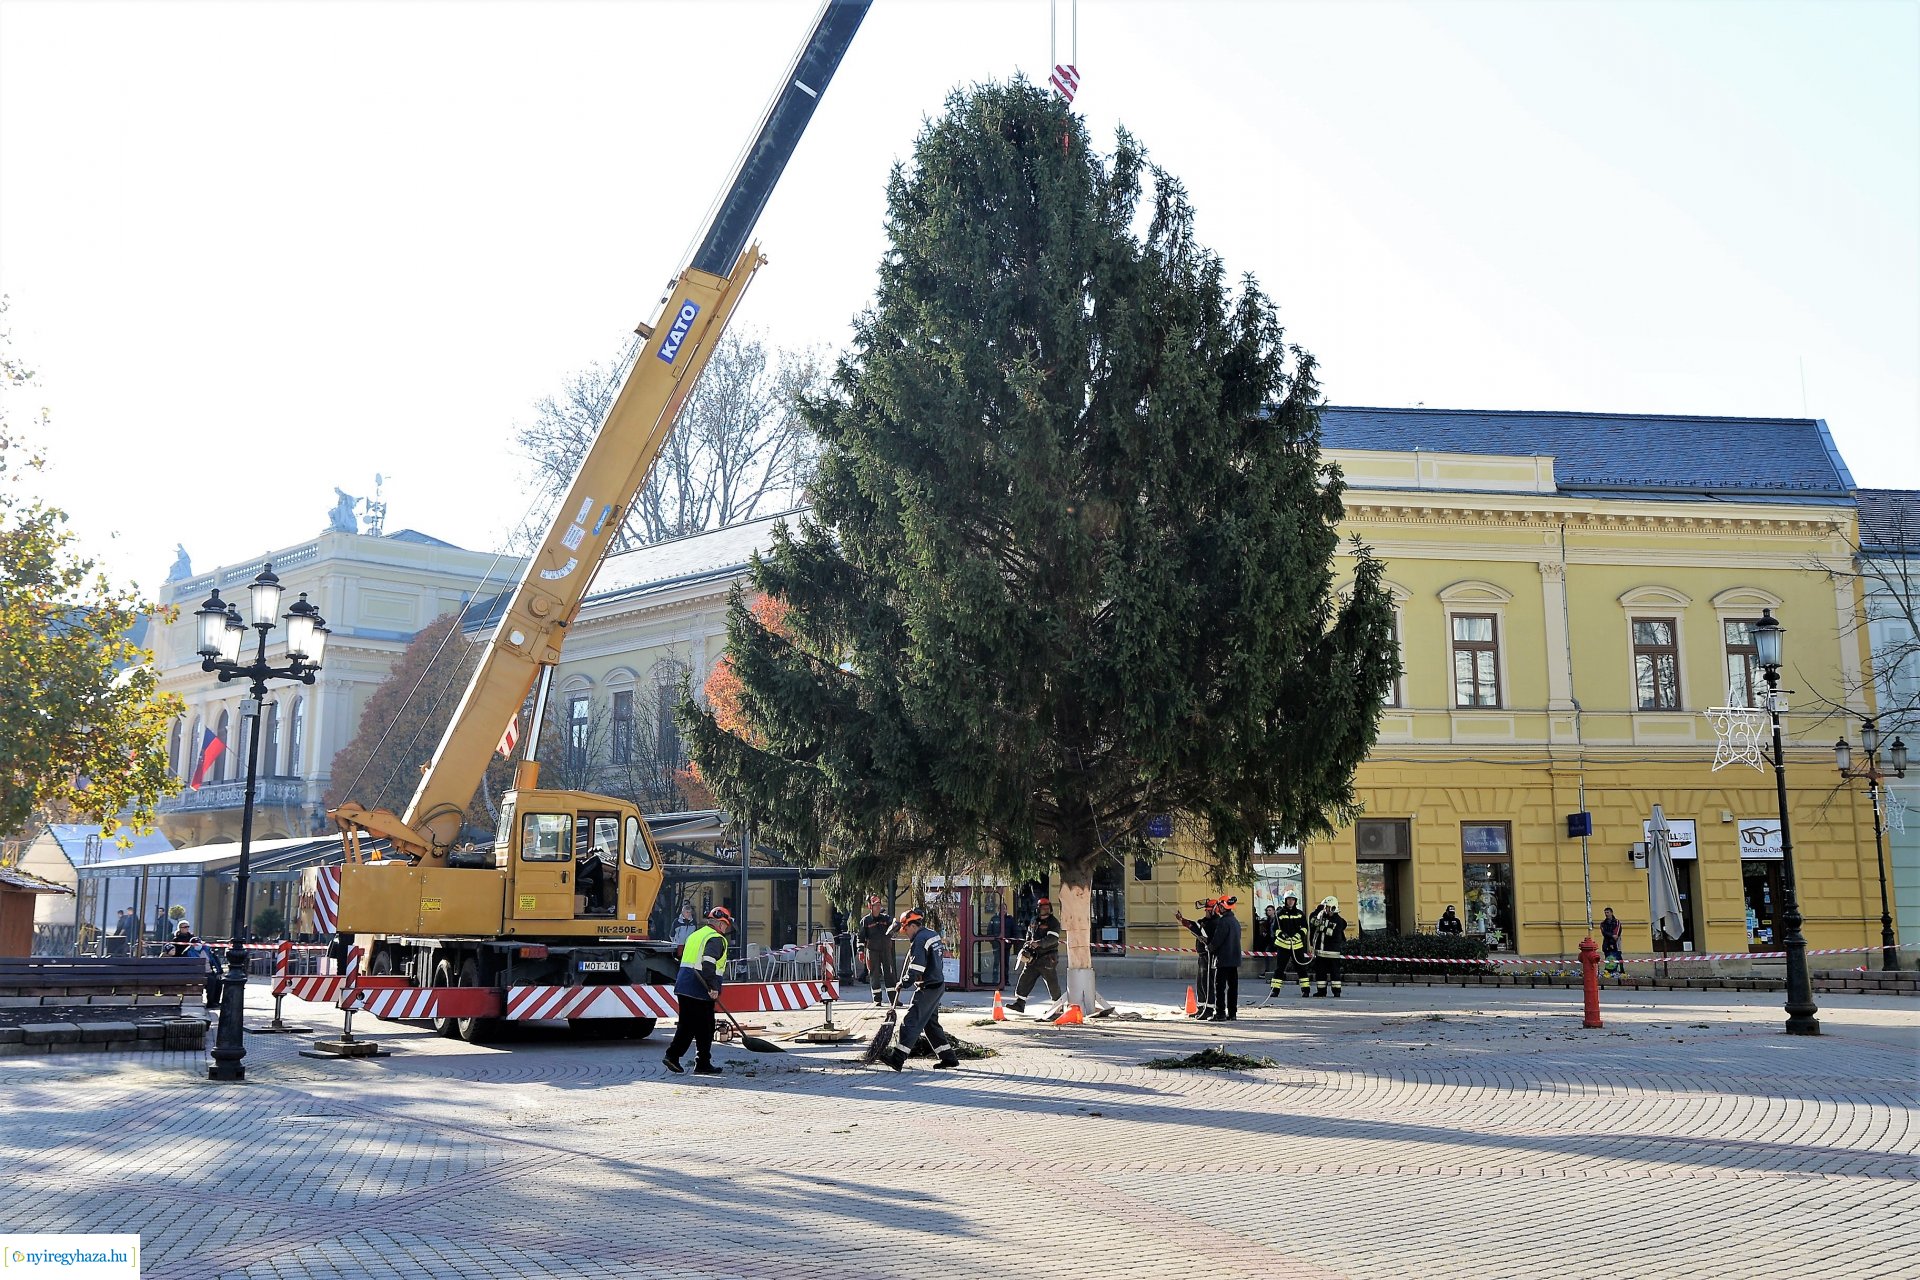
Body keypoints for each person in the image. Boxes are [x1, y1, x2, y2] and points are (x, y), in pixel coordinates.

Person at [881, 909, 959, 1071]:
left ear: (912, 925)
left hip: (928, 988)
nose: (906, 934)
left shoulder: (919, 940)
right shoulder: (931, 934)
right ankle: (948, 1058)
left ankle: (897, 1058)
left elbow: (917, 967)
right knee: (930, 1025)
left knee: (910, 1021)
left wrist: (904, 982)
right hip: (937, 985)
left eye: (906, 930)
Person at [664, 906, 733, 1076]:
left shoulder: (696, 935)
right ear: (720, 924)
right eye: (726, 925)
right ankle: (677, 1056)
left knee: (696, 1025)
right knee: (701, 1026)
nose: (726, 929)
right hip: (700, 988)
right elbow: (708, 964)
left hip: (685, 984)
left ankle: (699, 1061)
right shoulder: (716, 938)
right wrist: (713, 987)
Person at [1007, 897, 1063, 1012]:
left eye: (1047, 908)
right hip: (1034, 958)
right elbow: (1029, 935)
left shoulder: (1053, 922)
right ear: (1038, 909)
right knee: (1025, 978)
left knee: (1052, 982)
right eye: (1043, 908)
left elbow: (1052, 938)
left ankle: (1058, 1007)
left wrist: (1039, 943)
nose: (1046, 910)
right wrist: (1026, 947)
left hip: (1048, 957)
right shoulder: (1034, 920)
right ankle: (1020, 1003)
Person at [1173, 898, 1218, 1017]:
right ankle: (1201, 1007)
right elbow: (1195, 925)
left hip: (1209, 955)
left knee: (1207, 983)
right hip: (1202, 956)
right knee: (1200, 982)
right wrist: (1182, 920)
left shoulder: (1215, 923)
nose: (1205, 912)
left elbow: (1198, 929)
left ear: (1213, 911)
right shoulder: (1205, 922)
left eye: (1207, 910)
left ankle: (1208, 1010)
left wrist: (1192, 927)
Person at [857, 896, 898, 1006]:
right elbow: (860, 938)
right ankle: (877, 999)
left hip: (885, 950)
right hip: (872, 951)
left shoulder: (885, 919)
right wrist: (861, 952)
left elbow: (894, 924)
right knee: (874, 974)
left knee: (889, 974)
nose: (878, 907)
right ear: (870, 906)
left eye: (879, 905)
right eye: (875, 905)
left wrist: (895, 924)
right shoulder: (865, 921)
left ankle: (893, 1000)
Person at [1269, 894, 1311, 996]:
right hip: (1283, 945)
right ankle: (1275, 990)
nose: (1291, 901)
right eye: (1289, 899)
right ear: (1285, 900)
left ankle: (1305, 990)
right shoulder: (1279, 914)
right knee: (1279, 968)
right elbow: (1274, 929)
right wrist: (1281, 934)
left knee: (1301, 968)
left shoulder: (1300, 914)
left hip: (1297, 945)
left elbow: (1305, 927)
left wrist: (1299, 935)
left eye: (1293, 899)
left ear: (1295, 901)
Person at [1210, 897, 1243, 1021]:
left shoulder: (1223, 922)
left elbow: (1218, 940)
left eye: (1219, 906)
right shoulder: (1235, 921)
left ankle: (1220, 1013)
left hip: (1223, 960)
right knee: (1233, 988)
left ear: (1223, 907)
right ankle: (1232, 1013)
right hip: (1234, 960)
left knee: (1220, 988)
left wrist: (1210, 947)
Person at [1308, 897, 1348, 997]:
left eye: (1328, 907)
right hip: (1320, 952)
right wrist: (1318, 909)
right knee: (1320, 972)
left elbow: (1332, 933)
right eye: (1325, 907)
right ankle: (1321, 991)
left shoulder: (1338, 920)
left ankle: (1336, 991)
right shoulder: (1321, 916)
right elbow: (1312, 920)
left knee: (1335, 973)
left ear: (1334, 908)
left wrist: (1321, 927)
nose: (1326, 909)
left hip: (1332, 952)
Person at [183, 936, 222, 1009]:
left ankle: (215, 1002)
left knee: (219, 982)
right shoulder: (188, 952)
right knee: (211, 980)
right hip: (197, 974)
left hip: (209, 972)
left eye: (199, 943)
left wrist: (219, 971)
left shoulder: (207, 950)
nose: (197, 945)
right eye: (195, 944)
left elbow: (214, 960)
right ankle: (210, 1003)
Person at [575, 848, 610, 913]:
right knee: (596, 859)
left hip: (577, 867)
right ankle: (598, 905)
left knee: (596, 875)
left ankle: (596, 905)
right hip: (576, 872)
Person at [1600, 906, 1624, 975]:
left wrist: (1612, 940)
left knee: (1617, 957)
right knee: (1608, 958)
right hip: (1606, 944)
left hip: (1615, 944)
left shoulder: (1616, 922)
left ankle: (1619, 971)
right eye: (1605, 912)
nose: (1606, 914)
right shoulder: (1603, 923)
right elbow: (1604, 932)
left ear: (1611, 913)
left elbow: (1617, 933)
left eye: (1608, 912)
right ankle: (1609, 972)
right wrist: (1611, 936)